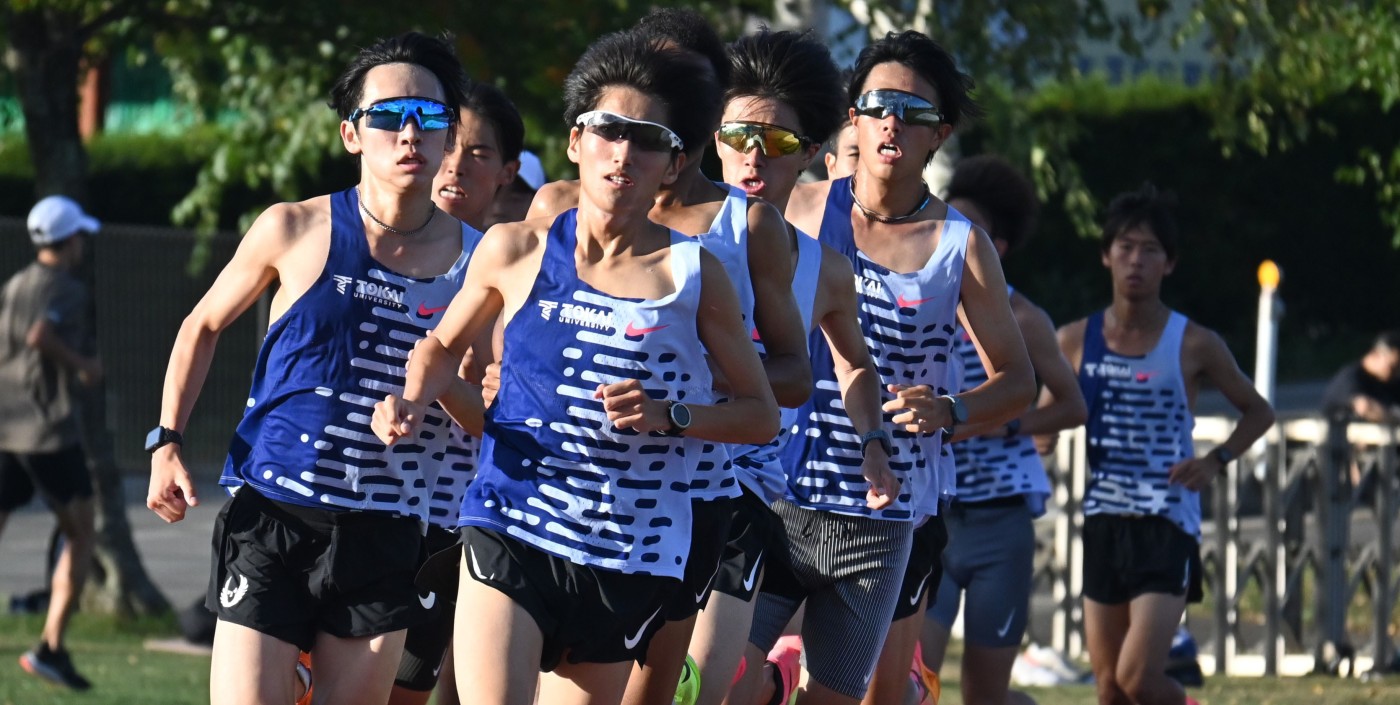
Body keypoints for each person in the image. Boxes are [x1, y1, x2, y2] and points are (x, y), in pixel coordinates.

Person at [370, 30, 779, 705]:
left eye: (647, 139)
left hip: (626, 546)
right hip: (513, 519)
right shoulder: (514, 248)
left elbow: (761, 414)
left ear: (673, 163)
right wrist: (414, 398)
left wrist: (670, 415)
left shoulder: (695, 275)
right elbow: (440, 347)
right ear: (574, 142)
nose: (623, 153)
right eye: (608, 130)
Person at [146, 32, 476, 705]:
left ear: (450, 137)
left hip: (388, 527)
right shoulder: (294, 228)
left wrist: (439, 385)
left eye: (430, 117)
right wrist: (167, 440)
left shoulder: (480, 264)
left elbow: (494, 412)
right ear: (353, 134)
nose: (409, 133)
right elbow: (200, 326)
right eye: (387, 117)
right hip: (273, 510)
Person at [736, 31, 1036, 705]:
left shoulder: (962, 245)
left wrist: (952, 408)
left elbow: (1020, 381)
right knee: (723, 677)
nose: (892, 120)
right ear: (854, 120)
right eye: (877, 105)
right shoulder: (800, 206)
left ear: (939, 135)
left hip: (883, 511)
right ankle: (778, 677)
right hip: (775, 491)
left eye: (913, 110)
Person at [530, 11, 813, 705]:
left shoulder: (747, 225)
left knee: (688, 692)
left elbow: (794, 377)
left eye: (670, 85)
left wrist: (682, 386)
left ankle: (767, 684)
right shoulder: (556, 206)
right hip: (575, 482)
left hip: (717, 487)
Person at [691, 27, 896, 705]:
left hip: (749, 495)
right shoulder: (668, 234)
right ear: (712, 136)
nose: (755, 157)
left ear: (808, 154)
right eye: (739, 135)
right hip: (644, 477)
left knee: (705, 688)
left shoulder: (822, 269)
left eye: (778, 144)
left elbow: (854, 366)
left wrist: (873, 444)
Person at [1045, 183, 1275, 705]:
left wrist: (1215, 460)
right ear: (1106, 255)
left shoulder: (1194, 342)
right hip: (1104, 518)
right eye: (1125, 247)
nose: (1136, 261)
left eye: (1150, 251)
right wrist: (1038, 444)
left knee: (1137, 679)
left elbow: (1259, 411)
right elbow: (1047, 417)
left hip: (1167, 521)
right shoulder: (1075, 339)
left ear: (1169, 264)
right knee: (1108, 690)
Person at [914, 155, 1089, 705]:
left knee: (984, 696)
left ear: (999, 247)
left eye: (970, 230)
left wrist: (1006, 424)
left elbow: (1073, 406)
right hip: (933, 517)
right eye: (949, 223)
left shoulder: (1024, 316)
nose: (953, 237)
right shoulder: (918, 300)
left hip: (1001, 524)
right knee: (914, 682)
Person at [388, 77, 527, 705]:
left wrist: (439, 377)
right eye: (452, 145)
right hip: (352, 494)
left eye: (480, 153)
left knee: (412, 689)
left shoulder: (513, 279)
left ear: (507, 173)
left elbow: (494, 419)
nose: (457, 164)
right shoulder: (374, 245)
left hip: (446, 517)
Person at [0, 195, 102, 690]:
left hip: (4, 425)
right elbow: (42, 335)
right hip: (45, 432)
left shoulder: (16, 283)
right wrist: (84, 367)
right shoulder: (66, 288)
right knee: (81, 533)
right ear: (69, 240)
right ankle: (51, 647)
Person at [1321, 330, 1400, 423]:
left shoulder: (1388, 381)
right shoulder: (1351, 377)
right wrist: (1391, 417)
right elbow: (1364, 407)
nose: (1397, 372)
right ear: (1375, 355)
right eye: (1394, 367)